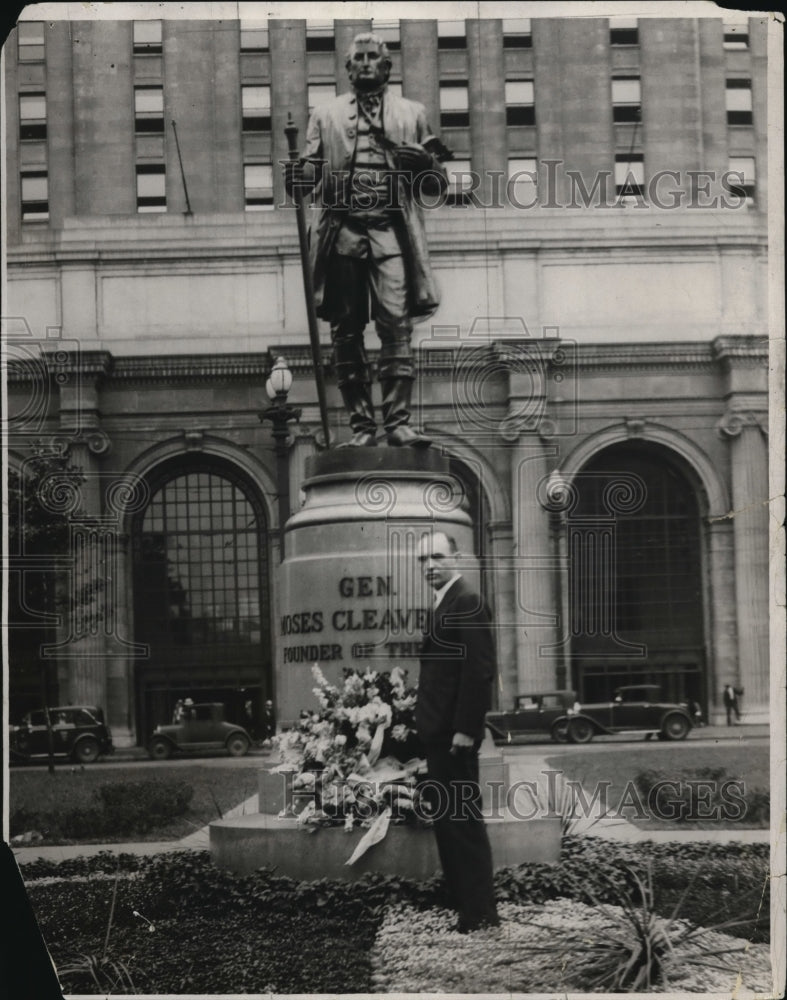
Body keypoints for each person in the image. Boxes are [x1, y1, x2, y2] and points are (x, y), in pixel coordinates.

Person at [285, 32, 448, 448]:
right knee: (346, 332)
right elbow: (308, 175)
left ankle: (398, 423)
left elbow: (436, 186)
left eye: (372, 56)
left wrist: (426, 163)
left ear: (387, 66)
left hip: (390, 231)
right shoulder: (325, 114)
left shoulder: (413, 113)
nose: (364, 63)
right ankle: (361, 427)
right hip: (343, 233)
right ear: (347, 67)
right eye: (356, 57)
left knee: (396, 326)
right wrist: (296, 177)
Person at [415, 530, 500, 933]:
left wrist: (467, 730)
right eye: (422, 560)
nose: (429, 566)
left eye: (436, 557)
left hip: (455, 738)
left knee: (462, 824)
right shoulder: (444, 601)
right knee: (450, 822)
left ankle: (480, 913)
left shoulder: (466, 600)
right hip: (440, 735)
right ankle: (466, 906)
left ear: (457, 558)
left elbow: (479, 671)